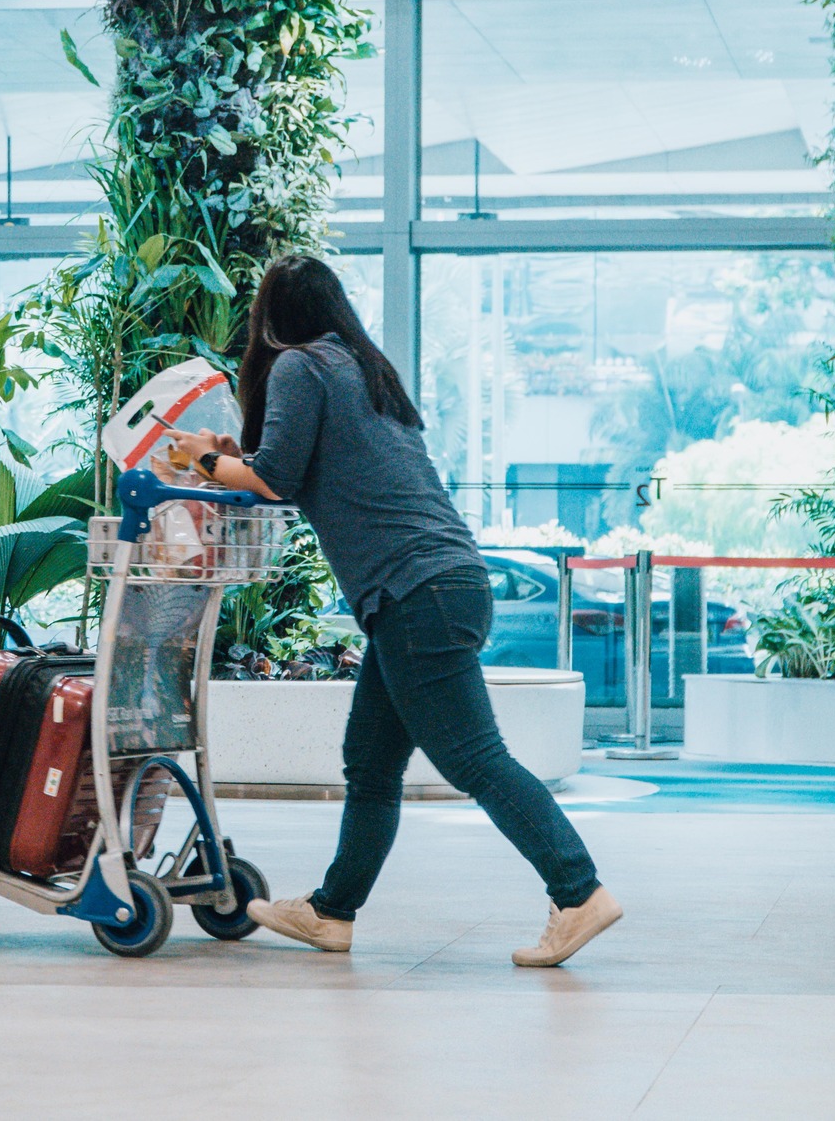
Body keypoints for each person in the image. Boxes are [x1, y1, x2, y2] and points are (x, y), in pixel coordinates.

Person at [167, 254, 621, 968]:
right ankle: (331, 912)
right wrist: (229, 457)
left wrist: (200, 458)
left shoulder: (298, 366)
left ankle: (578, 889)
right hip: (441, 582)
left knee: (474, 759)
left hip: (415, 592)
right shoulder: (361, 368)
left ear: (272, 318)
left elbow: (273, 479)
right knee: (371, 761)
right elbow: (280, 465)